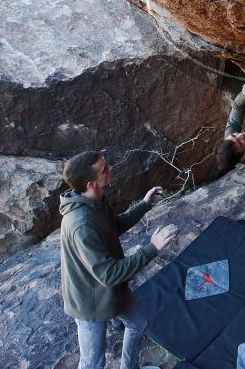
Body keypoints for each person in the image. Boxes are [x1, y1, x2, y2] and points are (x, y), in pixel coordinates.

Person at [59, 151, 175, 369]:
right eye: (104, 168)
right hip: (89, 303)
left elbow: (114, 226)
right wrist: (152, 248)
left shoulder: (96, 201)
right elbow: (109, 274)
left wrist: (144, 204)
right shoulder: (81, 224)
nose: (110, 167)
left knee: (139, 323)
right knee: (93, 363)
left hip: (109, 291)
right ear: (91, 183)